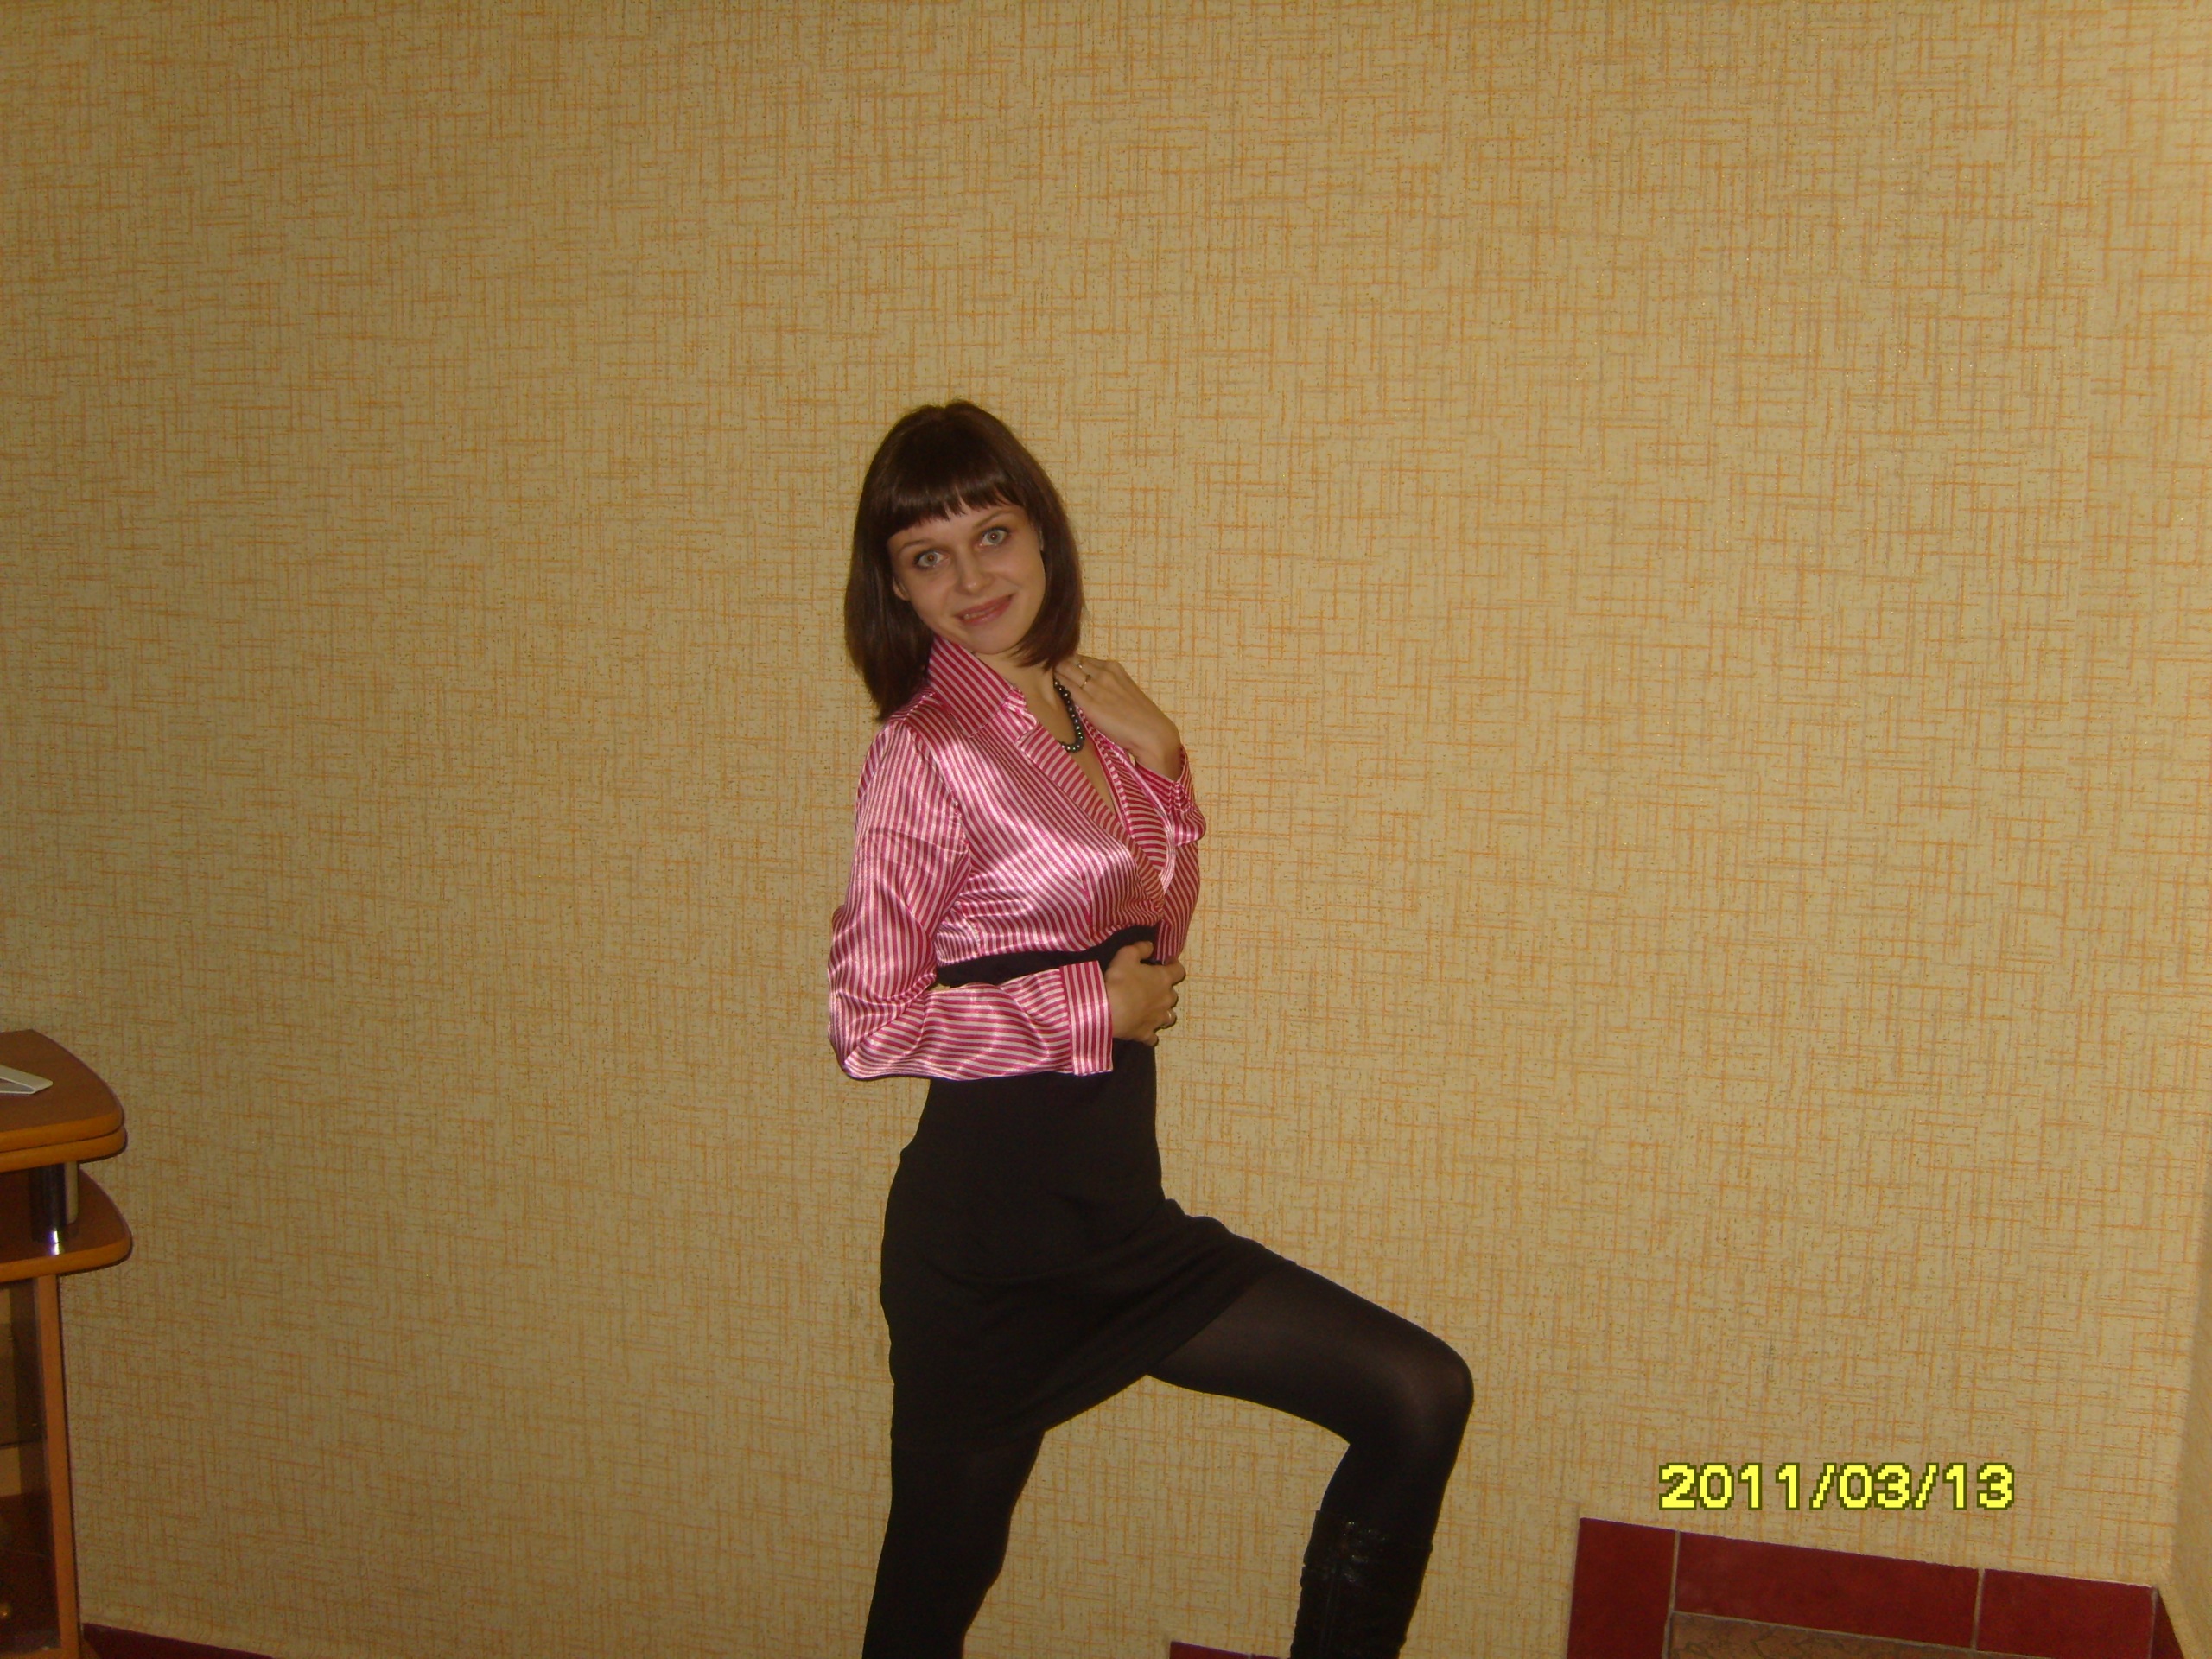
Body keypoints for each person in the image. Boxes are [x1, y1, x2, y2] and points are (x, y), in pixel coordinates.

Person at [829, 402, 1472, 1658]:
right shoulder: (923, 750)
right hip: (985, 1251)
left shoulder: (1087, 715)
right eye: (927, 556)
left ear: (1042, 535)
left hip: (1116, 1226)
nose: (971, 577)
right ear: (895, 589)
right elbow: (872, 1025)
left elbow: (1154, 946)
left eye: (992, 533)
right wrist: (1092, 1009)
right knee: (930, 1600)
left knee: (1416, 1392)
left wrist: (1166, 765)